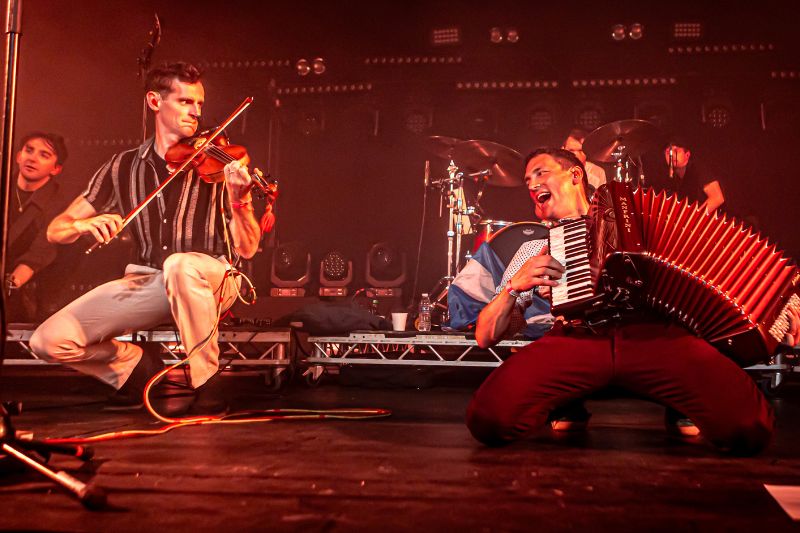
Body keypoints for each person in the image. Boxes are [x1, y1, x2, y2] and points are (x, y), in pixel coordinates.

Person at [464, 147, 798, 455]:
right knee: (488, 419)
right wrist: (514, 288)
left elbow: (737, 272)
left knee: (749, 429)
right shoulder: (535, 250)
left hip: (655, 340)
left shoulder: (648, 219)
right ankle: (564, 400)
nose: (531, 184)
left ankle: (677, 402)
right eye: (527, 181)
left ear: (575, 176)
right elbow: (485, 335)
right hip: (579, 343)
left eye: (539, 173)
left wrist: (788, 306)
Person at [30, 62, 273, 414]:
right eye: (186, 102)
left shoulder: (218, 166)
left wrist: (240, 197)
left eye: (200, 104)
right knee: (48, 341)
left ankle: (208, 381)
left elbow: (248, 248)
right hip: (148, 280)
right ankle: (134, 368)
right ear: (155, 102)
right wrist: (84, 226)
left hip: (215, 278)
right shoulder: (122, 165)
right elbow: (57, 228)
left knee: (181, 265)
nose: (196, 113)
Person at [5, 132, 69, 322]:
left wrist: (11, 283)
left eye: (44, 155)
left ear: (56, 169)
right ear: (18, 156)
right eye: (29, 150)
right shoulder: (5, 186)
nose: (32, 158)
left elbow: (40, 253)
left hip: (26, 292)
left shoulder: (59, 204)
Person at [652, 137, 725, 213]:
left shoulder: (698, 169)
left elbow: (717, 198)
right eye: (668, 153)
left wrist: (694, 217)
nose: (672, 155)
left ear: (687, 154)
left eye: (676, 151)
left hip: (717, 220)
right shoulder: (674, 177)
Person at [561, 127, 606, 192]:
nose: (576, 155)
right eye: (571, 150)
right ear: (563, 149)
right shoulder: (555, 171)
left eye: (580, 151)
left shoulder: (598, 172)